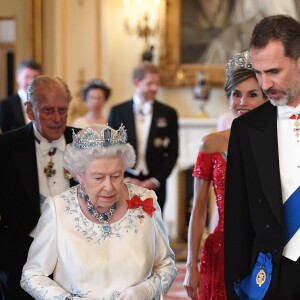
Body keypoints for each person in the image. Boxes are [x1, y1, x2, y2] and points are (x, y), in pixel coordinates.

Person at [21, 124, 177, 299]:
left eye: (116, 176)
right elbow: (32, 275)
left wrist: (147, 290)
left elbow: (166, 265)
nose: (109, 186)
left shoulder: (145, 200)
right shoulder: (58, 209)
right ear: (79, 175)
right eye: (98, 177)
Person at [224, 15, 300, 299]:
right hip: (273, 279)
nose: (265, 84)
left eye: (274, 71)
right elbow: (237, 222)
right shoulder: (246, 129)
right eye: (258, 72)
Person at [183, 51, 267, 300]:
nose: (243, 102)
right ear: (228, 98)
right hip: (221, 249)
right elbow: (198, 211)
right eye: (236, 94)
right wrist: (190, 265)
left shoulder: (275, 143)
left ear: (265, 98)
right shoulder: (210, 145)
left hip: (263, 251)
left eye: (253, 94)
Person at [0, 75, 79, 300]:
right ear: (29, 110)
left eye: (63, 110)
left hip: (77, 260)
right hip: (20, 263)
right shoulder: (6, 148)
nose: (57, 118)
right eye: (48, 110)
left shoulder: (84, 142)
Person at [108, 61, 178, 213]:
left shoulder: (169, 113)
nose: (155, 88)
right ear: (136, 82)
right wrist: (125, 177)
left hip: (155, 185)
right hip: (123, 182)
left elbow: (173, 152)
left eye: (157, 83)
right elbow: (110, 149)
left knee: (153, 230)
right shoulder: (117, 111)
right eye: (150, 83)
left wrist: (155, 180)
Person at [0, 59, 42, 132]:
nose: (31, 81)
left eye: (35, 77)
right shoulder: (5, 105)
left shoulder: (45, 102)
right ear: (18, 77)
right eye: (27, 77)